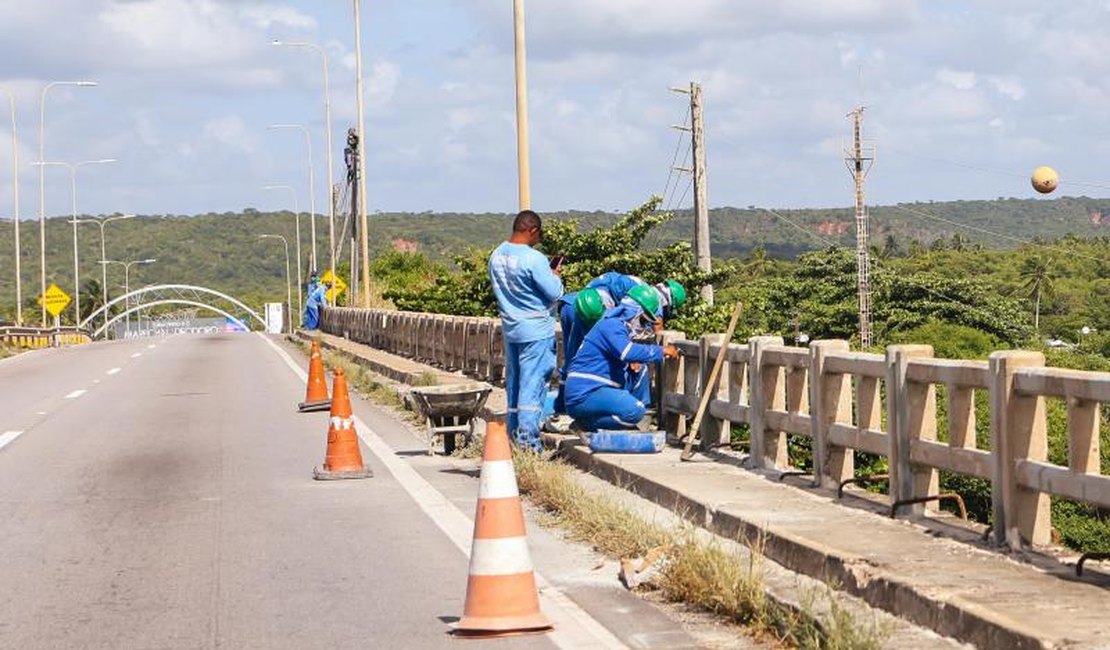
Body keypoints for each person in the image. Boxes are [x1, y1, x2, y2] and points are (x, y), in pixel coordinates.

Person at [488, 210, 564, 451]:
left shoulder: (496, 255)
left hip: (511, 328)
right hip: (536, 330)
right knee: (533, 385)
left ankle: (511, 435)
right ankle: (528, 443)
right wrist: (554, 276)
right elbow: (554, 293)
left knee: (515, 384)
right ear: (532, 230)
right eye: (538, 234)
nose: (538, 239)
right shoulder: (534, 259)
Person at [564, 285, 679, 431]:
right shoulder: (612, 326)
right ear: (636, 312)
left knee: (640, 370)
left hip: (598, 388)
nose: (645, 326)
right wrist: (662, 351)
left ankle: (618, 421)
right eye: (644, 321)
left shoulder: (616, 326)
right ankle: (586, 425)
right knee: (635, 411)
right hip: (586, 392)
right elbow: (627, 352)